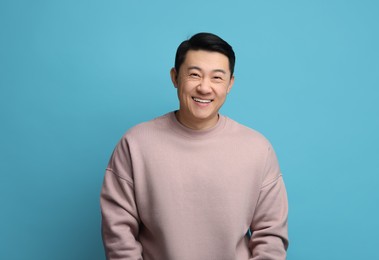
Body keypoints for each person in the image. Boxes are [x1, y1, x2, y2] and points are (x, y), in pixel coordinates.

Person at [100, 32, 288, 260]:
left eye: (217, 78)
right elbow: (118, 232)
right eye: (194, 75)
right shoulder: (135, 144)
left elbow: (271, 235)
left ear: (230, 84)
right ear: (175, 77)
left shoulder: (258, 149)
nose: (204, 88)